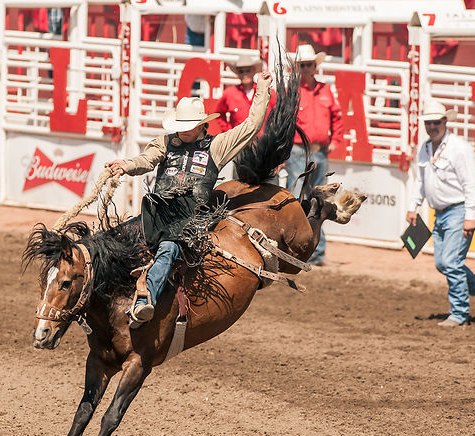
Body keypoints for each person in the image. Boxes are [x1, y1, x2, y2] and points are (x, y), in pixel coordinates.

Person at [107, 71, 273, 328]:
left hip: (189, 219)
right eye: (179, 127)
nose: (182, 132)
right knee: (115, 238)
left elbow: (251, 125)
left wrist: (261, 88)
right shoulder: (164, 143)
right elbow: (147, 160)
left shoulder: (217, 146)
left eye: (187, 127)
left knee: (169, 248)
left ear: (201, 125)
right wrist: (127, 165)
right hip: (158, 212)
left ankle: (143, 300)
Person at [406, 100, 475, 327]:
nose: (432, 126)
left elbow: (471, 185)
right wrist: (413, 206)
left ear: (445, 122)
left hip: (458, 210)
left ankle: (459, 313)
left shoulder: (459, 149)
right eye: (428, 122)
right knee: (445, 263)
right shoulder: (425, 148)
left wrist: (471, 215)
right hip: (440, 213)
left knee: (450, 262)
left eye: (436, 122)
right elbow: (420, 181)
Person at [283, 44, 342, 266]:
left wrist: (335, 140)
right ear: (297, 68)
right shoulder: (292, 92)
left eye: (310, 64)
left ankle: (316, 250)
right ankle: (292, 246)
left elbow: (337, 117)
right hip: (298, 151)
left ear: (315, 66)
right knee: (297, 197)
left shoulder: (324, 90)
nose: (307, 68)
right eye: (303, 65)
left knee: (319, 200)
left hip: (318, 152)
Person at [215, 51, 278, 183]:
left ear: (253, 71)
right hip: (240, 145)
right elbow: (218, 115)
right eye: (241, 71)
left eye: (247, 70)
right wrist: (229, 132)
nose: (245, 74)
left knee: (268, 185)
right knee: (240, 185)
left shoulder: (269, 92)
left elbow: (278, 117)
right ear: (237, 73)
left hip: (263, 145)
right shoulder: (229, 93)